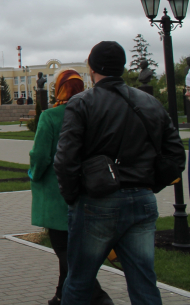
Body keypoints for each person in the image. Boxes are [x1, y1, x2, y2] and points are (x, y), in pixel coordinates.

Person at [55, 41, 186, 305]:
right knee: (144, 283)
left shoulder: (82, 103)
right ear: (122, 68)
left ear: (92, 68)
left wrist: (73, 197)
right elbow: (176, 155)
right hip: (141, 200)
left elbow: (66, 159)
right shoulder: (149, 102)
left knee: (79, 282)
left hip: (96, 201)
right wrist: (149, 184)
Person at [30, 69, 112, 305]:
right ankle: (60, 295)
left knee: (65, 249)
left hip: (56, 192)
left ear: (59, 89)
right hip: (88, 188)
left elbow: (40, 155)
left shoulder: (50, 116)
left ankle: (98, 296)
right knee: (73, 248)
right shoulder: (93, 113)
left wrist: (34, 174)